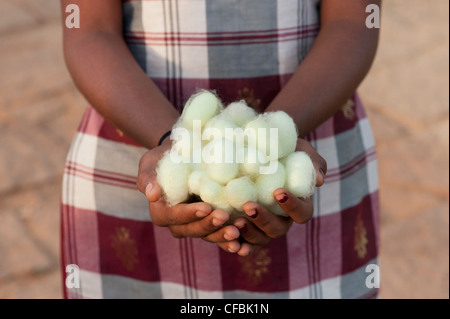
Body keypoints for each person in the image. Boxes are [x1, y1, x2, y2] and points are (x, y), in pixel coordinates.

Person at [61, 0, 380, 298]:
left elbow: (353, 20)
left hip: (312, 123)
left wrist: (278, 143)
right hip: (131, 145)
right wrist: (172, 141)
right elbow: (90, 30)